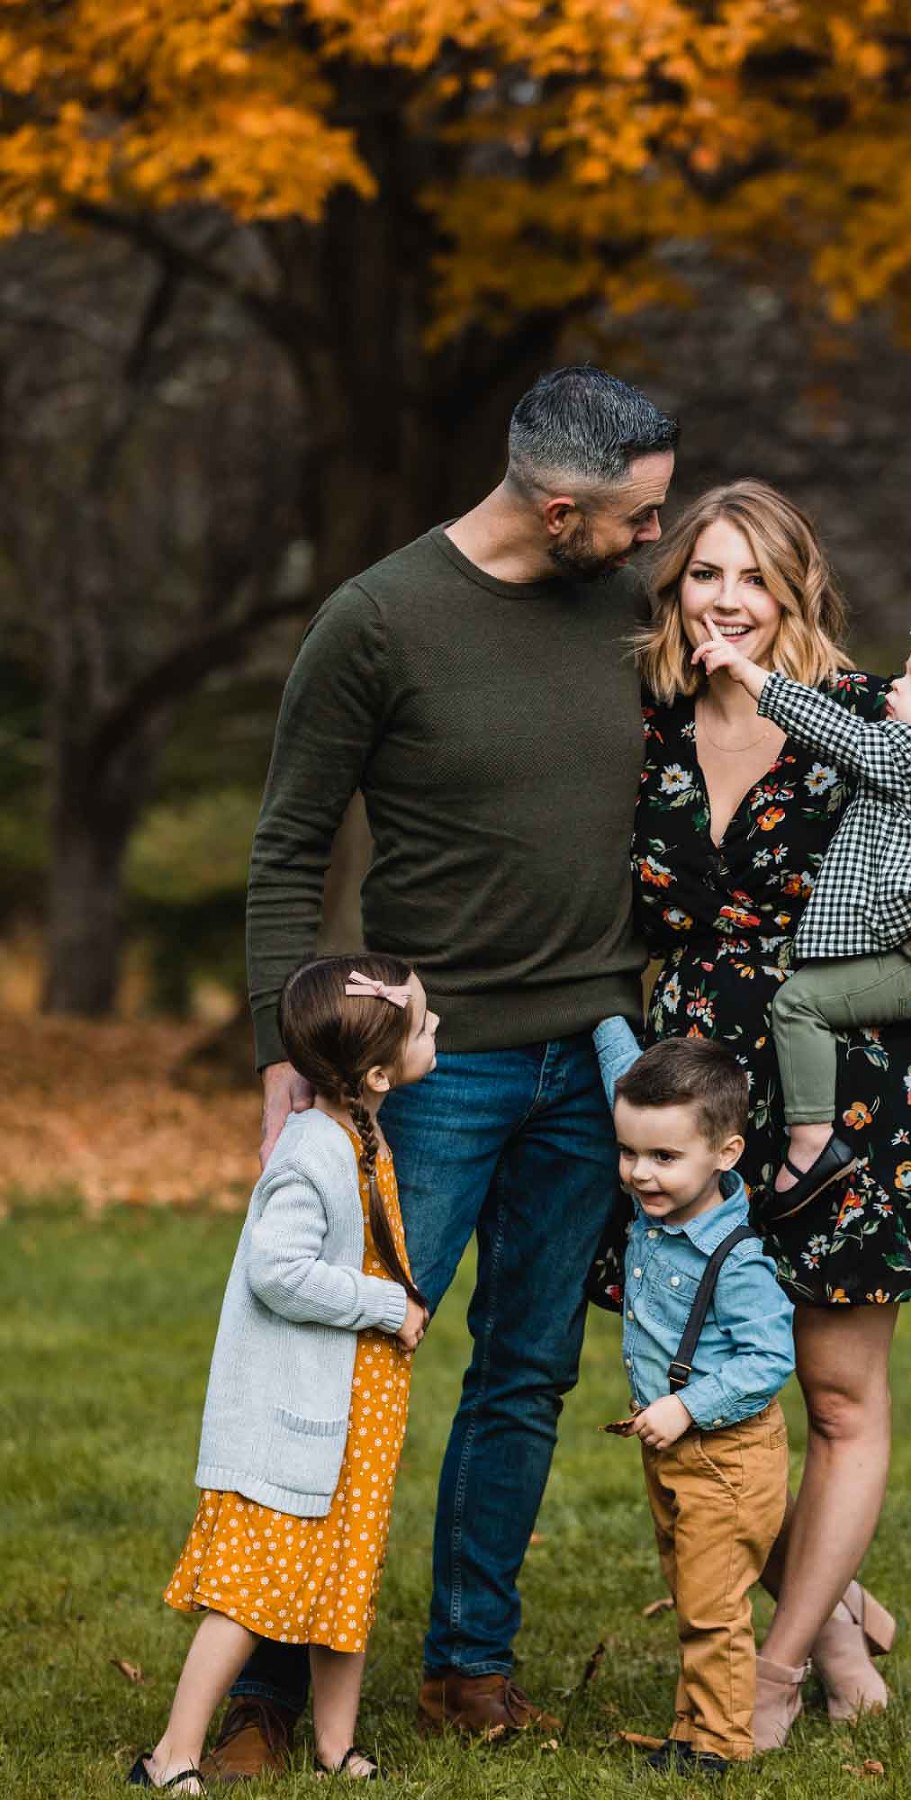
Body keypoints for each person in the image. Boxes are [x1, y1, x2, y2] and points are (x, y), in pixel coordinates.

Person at [210, 367, 680, 1777]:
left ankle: (470, 1663)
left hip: (591, 1062)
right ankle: (268, 1691)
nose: (657, 541)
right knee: (339, 1372)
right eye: (640, 519)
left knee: (524, 1372)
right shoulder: (375, 621)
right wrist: (286, 1069)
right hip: (431, 1072)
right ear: (558, 509)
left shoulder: (625, 609)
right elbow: (288, 848)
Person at [626, 480, 911, 1750]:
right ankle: (843, 1608)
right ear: (677, 591)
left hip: (851, 1081)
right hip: (695, 1090)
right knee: (700, 1376)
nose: (730, 600)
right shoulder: (640, 724)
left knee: (836, 1396)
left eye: (756, 578)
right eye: (707, 575)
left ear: (797, 592)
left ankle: (781, 1664)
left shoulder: (866, 713)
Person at [128, 954, 435, 1792]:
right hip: (299, 1413)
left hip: (356, 1409)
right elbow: (278, 1271)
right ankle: (171, 1756)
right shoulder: (314, 1152)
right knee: (251, 1590)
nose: (438, 1029)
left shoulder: (358, 1129)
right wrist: (382, 1303)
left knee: (348, 1575)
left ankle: (336, 1747)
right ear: (377, 1072)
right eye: (425, 1024)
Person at [690, 607, 911, 1214]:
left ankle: (812, 1142)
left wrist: (748, 674)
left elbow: (836, 731)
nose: (894, 688)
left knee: (799, 1003)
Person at [594, 1026, 795, 1772]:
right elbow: (623, 1065)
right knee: (691, 1594)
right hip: (675, 1452)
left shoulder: (733, 1259)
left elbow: (771, 1356)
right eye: (630, 1154)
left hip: (725, 1455)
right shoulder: (665, 1209)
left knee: (714, 1609)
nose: (640, 1174)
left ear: (726, 1155)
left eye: (664, 1158)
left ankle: (717, 1747)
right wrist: (599, 1007)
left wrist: (689, 1405)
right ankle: (689, 1732)